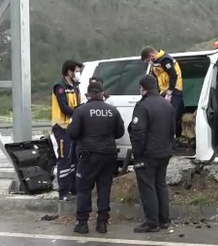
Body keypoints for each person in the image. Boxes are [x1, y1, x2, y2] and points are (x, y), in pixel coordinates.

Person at [67, 82, 125, 234]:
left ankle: (82, 223)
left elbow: (72, 132)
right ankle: (102, 223)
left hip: (88, 155)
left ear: (89, 94)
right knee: (104, 188)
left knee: (84, 189)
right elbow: (119, 132)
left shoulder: (81, 111)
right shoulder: (113, 111)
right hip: (108, 155)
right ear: (102, 93)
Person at [128, 74, 175, 233]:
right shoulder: (167, 105)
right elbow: (172, 130)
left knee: (147, 187)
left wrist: (137, 152)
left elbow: (138, 131)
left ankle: (152, 222)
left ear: (143, 88)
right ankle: (164, 220)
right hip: (164, 152)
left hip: (148, 154)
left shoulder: (142, 106)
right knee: (160, 185)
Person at [51, 59, 83, 201]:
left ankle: (73, 188)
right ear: (69, 72)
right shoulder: (60, 87)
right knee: (65, 159)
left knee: (75, 159)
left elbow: (78, 105)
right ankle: (63, 192)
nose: (78, 73)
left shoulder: (76, 87)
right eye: (76, 71)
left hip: (73, 126)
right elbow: (64, 107)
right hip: (62, 128)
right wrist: (78, 113)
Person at [140, 46, 184, 139]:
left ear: (152, 55)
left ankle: (172, 139)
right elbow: (153, 79)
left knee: (171, 116)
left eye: (148, 60)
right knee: (167, 116)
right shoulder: (156, 63)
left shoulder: (165, 60)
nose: (149, 62)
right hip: (164, 91)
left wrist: (169, 93)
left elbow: (173, 76)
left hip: (174, 90)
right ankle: (170, 138)